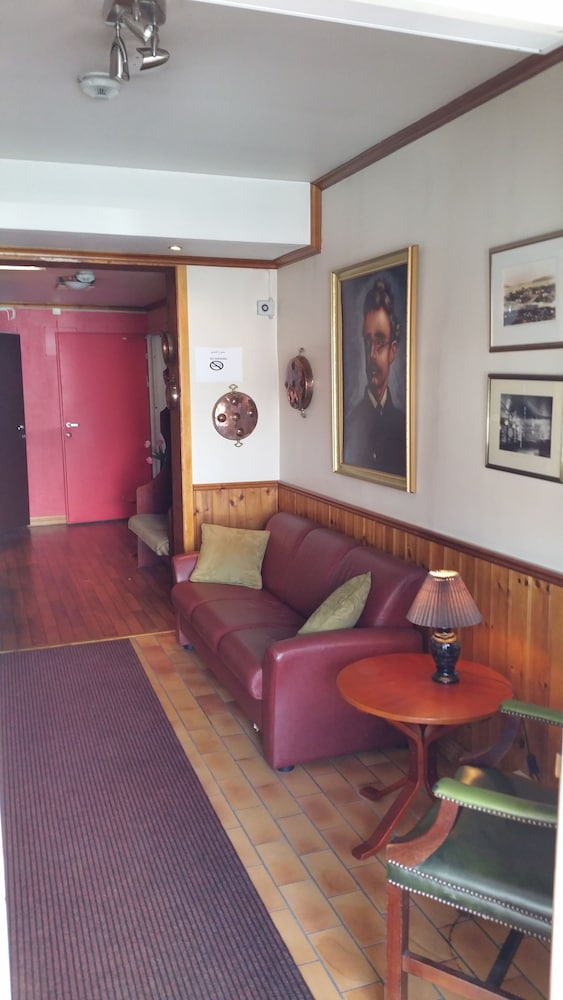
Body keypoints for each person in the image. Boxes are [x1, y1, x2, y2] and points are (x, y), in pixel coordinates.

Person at [343, 277, 406, 476]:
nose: (371, 354)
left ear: (392, 351)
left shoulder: (403, 426)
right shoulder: (350, 423)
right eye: (367, 341)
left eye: (379, 342)